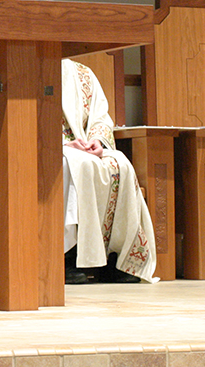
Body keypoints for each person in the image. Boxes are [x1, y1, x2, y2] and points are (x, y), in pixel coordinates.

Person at [62, 59, 157, 284]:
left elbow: (100, 117)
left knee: (120, 163)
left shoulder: (82, 72)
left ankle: (117, 259)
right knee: (78, 166)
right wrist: (62, 144)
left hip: (84, 146)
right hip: (47, 148)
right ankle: (68, 257)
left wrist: (96, 140)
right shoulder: (21, 64)